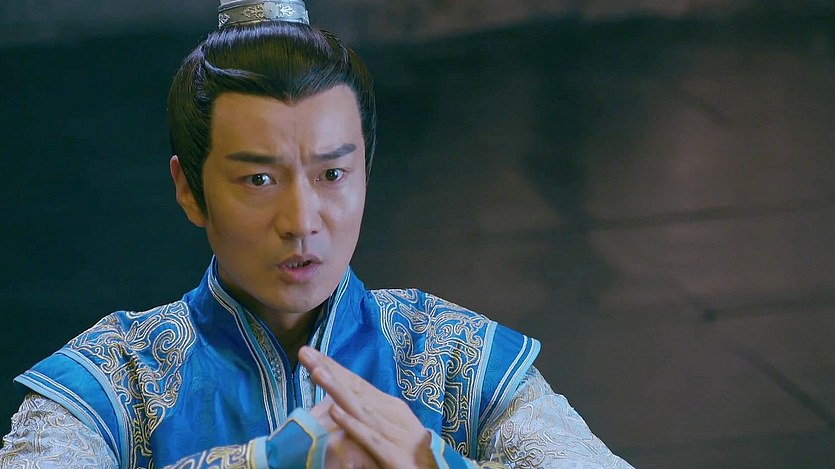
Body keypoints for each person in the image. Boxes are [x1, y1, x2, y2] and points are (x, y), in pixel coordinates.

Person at [0, 1, 634, 468]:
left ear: (366, 173)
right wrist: (254, 465)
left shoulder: (449, 358)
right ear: (189, 189)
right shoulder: (118, 380)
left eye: (332, 174)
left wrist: (434, 464)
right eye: (258, 179)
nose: (302, 220)